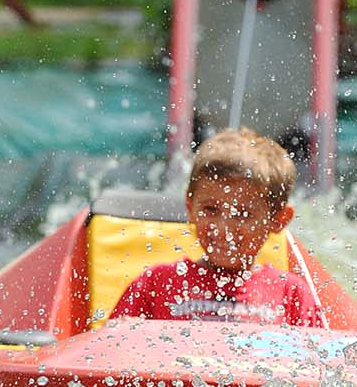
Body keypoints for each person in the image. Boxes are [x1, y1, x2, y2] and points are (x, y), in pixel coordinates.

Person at [111, 128, 322, 327]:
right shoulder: (156, 284)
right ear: (190, 208)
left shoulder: (291, 294)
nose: (223, 228)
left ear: (278, 220)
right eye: (211, 209)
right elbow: (109, 347)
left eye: (243, 214)